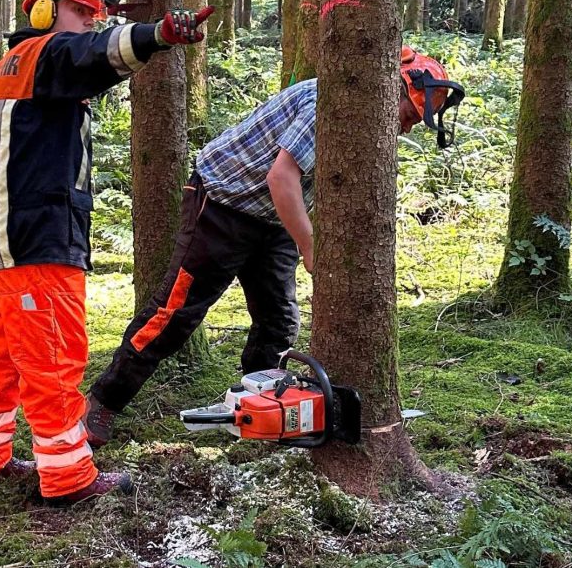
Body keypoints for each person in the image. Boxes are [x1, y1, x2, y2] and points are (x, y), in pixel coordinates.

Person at [83, 46, 466, 446]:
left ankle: (260, 408)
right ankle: (102, 400)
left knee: (279, 322)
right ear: (394, 90)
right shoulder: (329, 104)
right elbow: (281, 177)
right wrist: (310, 246)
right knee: (176, 313)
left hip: (274, 216)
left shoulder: (362, 121)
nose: (407, 129)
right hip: (223, 204)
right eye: (409, 117)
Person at [0, 0, 213, 505]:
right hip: (36, 238)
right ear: (44, 11)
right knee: (53, 354)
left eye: (95, 13)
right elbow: (95, 54)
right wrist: (159, 34)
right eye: (80, 10)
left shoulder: (3, 70)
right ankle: (68, 474)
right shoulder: (47, 53)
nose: (91, 21)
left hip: (0, 242)